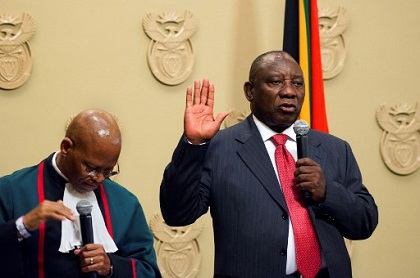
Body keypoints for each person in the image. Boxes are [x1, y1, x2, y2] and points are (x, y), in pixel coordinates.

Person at [160, 51, 378, 277]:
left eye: (297, 84)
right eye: (275, 82)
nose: (289, 92)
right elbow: (178, 214)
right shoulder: (219, 148)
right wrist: (194, 144)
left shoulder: (335, 149)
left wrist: (327, 192)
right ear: (250, 91)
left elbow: (365, 222)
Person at [0, 109, 161, 277]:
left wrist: (111, 266)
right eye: (90, 168)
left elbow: (148, 271)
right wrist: (23, 225)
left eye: (108, 171)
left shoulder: (125, 203)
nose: (99, 178)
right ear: (66, 147)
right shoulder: (10, 191)